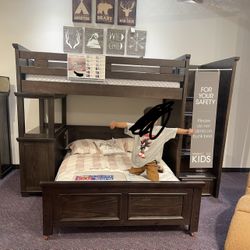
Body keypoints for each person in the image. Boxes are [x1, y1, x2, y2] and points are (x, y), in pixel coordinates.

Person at [110, 107, 193, 181]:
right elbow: (126, 124)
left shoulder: (162, 131)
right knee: (131, 173)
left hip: (151, 161)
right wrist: (116, 124)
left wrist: (187, 131)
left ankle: (156, 168)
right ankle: (141, 169)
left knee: (154, 180)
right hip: (139, 160)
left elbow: (175, 130)